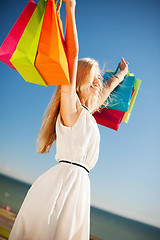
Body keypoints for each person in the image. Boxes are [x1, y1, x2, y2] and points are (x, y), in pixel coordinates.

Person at [9, 0, 128, 239]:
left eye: (99, 77)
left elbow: (104, 89)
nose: (98, 82)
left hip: (79, 186)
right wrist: (71, 10)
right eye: (92, 77)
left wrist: (119, 76)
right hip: (62, 184)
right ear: (77, 80)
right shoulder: (70, 106)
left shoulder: (86, 113)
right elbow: (71, 57)